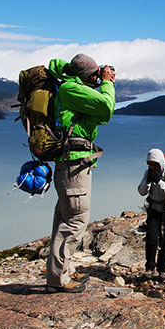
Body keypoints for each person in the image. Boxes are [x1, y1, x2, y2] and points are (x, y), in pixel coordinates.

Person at [45, 54, 116, 293]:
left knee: (65, 217)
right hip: (73, 165)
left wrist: (93, 79)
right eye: (95, 74)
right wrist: (107, 83)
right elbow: (106, 107)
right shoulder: (71, 89)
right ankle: (58, 281)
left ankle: (62, 272)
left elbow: (101, 117)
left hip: (72, 164)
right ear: (86, 75)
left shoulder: (73, 86)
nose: (98, 77)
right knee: (76, 220)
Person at [138, 148, 165, 277]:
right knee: (151, 238)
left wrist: (158, 181)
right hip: (154, 208)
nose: (153, 167)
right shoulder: (148, 173)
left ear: (160, 162)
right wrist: (147, 181)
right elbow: (141, 192)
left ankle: (162, 269)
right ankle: (149, 268)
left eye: (155, 164)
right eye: (150, 164)